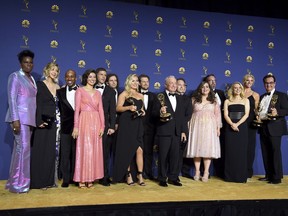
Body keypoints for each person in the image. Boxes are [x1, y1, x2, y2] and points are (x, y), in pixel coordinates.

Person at [5, 50, 37, 193]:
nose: (28, 64)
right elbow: (11, 99)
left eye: (30, 62)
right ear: (20, 63)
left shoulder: (31, 79)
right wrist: (15, 119)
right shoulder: (15, 76)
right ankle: (20, 184)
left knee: (20, 150)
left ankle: (14, 181)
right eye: (26, 62)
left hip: (29, 119)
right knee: (23, 150)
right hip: (20, 119)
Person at [72, 69, 105, 188]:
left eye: (94, 77)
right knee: (84, 149)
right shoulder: (79, 91)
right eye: (90, 77)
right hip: (84, 121)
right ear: (86, 78)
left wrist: (102, 126)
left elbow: (101, 110)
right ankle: (81, 178)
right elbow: (77, 109)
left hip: (96, 122)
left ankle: (90, 178)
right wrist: (75, 127)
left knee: (94, 150)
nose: (92, 79)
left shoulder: (98, 93)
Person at [30, 62, 61, 189]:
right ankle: (38, 182)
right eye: (52, 69)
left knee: (50, 153)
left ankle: (49, 181)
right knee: (40, 151)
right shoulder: (40, 85)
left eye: (56, 70)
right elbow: (36, 104)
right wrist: (38, 121)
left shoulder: (58, 87)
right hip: (42, 122)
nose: (54, 72)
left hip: (54, 123)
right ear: (47, 71)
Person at [152, 75, 187, 187]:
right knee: (163, 156)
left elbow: (182, 117)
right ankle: (162, 178)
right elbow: (152, 114)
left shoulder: (180, 98)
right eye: (171, 83)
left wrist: (183, 131)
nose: (173, 85)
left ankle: (173, 177)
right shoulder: (159, 96)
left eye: (175, 83)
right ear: (165, 85)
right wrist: (160, 111)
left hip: (177, 132)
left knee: (175, 157)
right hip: (164, 131)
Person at [184, 81, 221, 182]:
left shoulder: (214, 101)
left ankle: (206, 172)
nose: (205, 89)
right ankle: (197, 172)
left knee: (207, 150)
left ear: (209, 88)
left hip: (210, 128)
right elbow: (189, 114)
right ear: (200, 89)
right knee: (196, 149)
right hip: (196, 127)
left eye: (207, 87)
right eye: (203, 87)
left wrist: (218, 128)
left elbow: (218, 116)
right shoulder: (194, 100)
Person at [112, 74, 146, 186]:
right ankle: (128, 174)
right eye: (133, 81)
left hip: (138, 124)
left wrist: (143, 112)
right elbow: (117, 108)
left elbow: (142, 109)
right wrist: (128, 108)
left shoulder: (141, 95)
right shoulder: (124, 94)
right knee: (127, 150)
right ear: (128, 82)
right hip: (127, 124)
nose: (135, 83)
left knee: (139, 150)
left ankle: (140, 175)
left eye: (137, 81)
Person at [257, 73, 288, 184]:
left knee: (275, 153)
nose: (268, 85)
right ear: (264, 84)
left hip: (275, 127)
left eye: (270, 83)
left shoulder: (282, 95)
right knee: (265, 152)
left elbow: (286, 110)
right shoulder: (262, 96)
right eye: (266, 83)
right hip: (263, 127)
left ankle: (276, 177)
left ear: (274, 83)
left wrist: (278, 112)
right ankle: (268, 175)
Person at [223, 81, 249, 183]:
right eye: (235, 88)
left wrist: (237, 124)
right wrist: (232, 124)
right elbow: (226, 115)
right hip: (230, 128)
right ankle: (229, 176)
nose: (237, 89)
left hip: (241, 128)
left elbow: (246, 114)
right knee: (230, 152)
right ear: (232, 89)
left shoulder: (245, 100)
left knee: (241, 152)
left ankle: (241, 176)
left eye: (239, 88)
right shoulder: (227, 101)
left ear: (241, 89)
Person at [56, 69, 78, 188]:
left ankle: (75, 177)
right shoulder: (59, 92)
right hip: (65, 126)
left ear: (76, 78)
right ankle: (66, 178)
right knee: (65, 153)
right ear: (65, 78)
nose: (69, 79)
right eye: (67, 76)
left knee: (76, 153)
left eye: (72, 76)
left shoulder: (81, 90)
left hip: (78, 127)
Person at [95, 68, 117, 186]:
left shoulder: (110, 91)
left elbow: (112, 111)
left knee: (104, 152)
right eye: (101, 74)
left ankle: (104, 176)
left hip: (105, 125)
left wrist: (112, 126)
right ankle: (90, 176)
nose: (103, 77)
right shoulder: (89, 88)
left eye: (105, 75)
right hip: (90, 124)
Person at [203, 74, 226, 178]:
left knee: (219, 149)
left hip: (221, 125)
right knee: (205, 148)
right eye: (210, 80)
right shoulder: (201, 94)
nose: (213, 82)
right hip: (206, 126)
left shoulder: (221, 93)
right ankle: (205, 172)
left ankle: (219, 172)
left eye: (214, 80)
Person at [138, 74, 157, 180]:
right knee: (137, 151)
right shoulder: (134, 95)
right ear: (139, 83)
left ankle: (148, 173)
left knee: (149, 152)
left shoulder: (154, 96)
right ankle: (137, 173)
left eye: (147, 81)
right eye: (143, 81)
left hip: (150, 128)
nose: (145, 83)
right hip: (137, 127)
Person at [242, 74, 260, 180]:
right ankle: (240, 169)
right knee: (240, 147)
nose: (249, 82)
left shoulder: (256, 95)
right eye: (247, 80)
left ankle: (248, 171)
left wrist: (258, 117)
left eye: (251, 80)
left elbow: (257, 110)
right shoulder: (239, 92)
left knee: (250, 148)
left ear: (253, 82)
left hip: (250, 124)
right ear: (243, 81)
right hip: (240, 122)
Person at [176, 78, 192, 179]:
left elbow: (188, 116)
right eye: (179, 85)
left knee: (181, 152)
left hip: (183, 129)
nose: (182, 87)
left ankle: (177, 173)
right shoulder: (170, 98)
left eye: (184, 85)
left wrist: (182, 130)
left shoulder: (188, 99)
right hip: (170, 129)